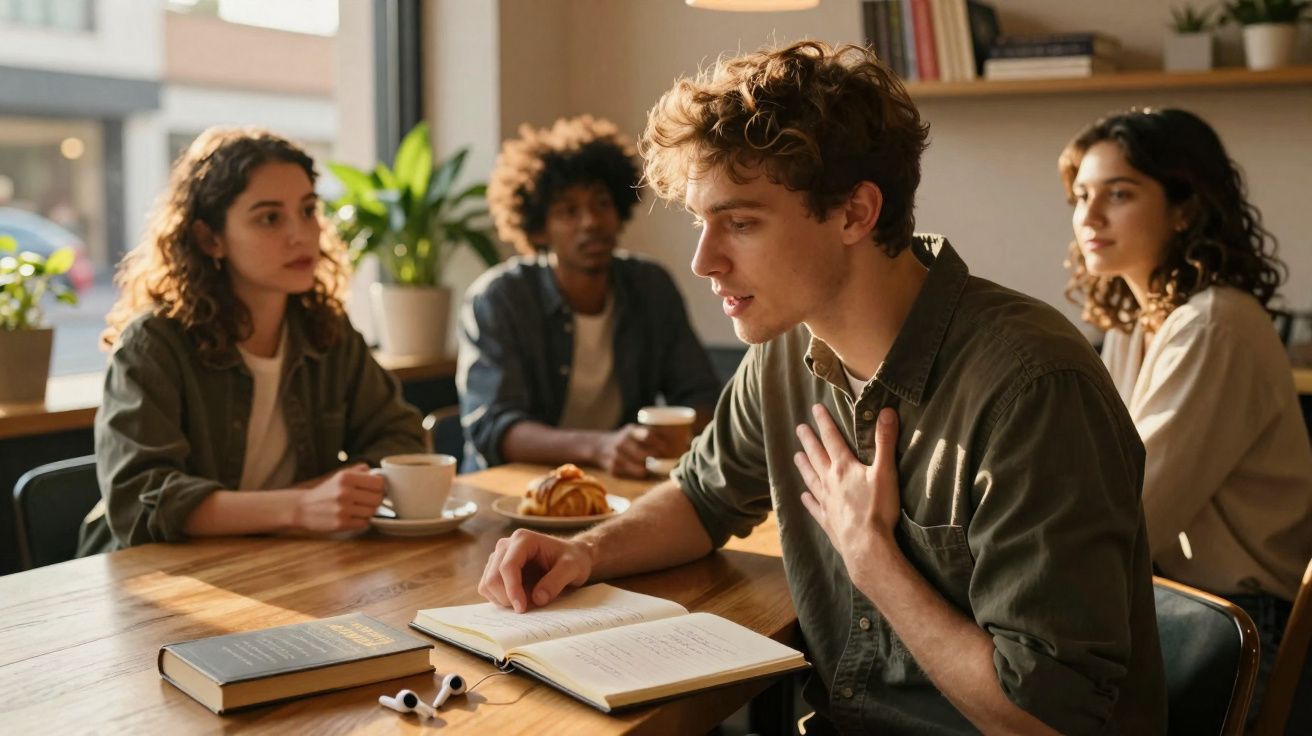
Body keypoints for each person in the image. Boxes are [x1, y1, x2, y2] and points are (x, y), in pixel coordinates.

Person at [476, 41, 1166, 734]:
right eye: (700, 221)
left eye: (740, 223)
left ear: (854, 214)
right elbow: (703, 496)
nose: (703, 260)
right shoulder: (783, 349)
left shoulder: (1033, 388)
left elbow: (1046, 718)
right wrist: (584, 551)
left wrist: (874, 561)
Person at [1060, 107, 1312, 712]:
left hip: (1234, 624)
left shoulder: (1213, 325)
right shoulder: (1137, 324)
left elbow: (1132, 513)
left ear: (1185, 208)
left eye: (1118, 194)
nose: (1088, 217)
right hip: (1172, 601)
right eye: (1081, 194)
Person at [78, 127, 426, 555]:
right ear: (210, 239)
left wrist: (325, 497)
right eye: (269, 217)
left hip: (281, 560)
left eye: (308, 209)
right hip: (149, 580)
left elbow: (400, 438)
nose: (301, 235)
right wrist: (299, 506)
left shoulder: (326, 331)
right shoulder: (153, 343)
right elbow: (141, 500)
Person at [458, 115, 720, 478]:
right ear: (539, 227)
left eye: (601, 203)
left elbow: (700, 395)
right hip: (515, 491)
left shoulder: (650, 287)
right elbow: (495, 426)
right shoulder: (499, 299)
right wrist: (599, 447)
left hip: (621, 482)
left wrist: (668, 440)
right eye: (568, 211)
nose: (591, 222)